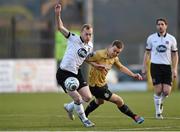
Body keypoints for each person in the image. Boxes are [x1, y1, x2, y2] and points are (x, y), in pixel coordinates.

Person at [55, 3, 97, 127]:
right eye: (86, 34)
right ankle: (85, 120)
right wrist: (58, 14)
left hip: (77, 73)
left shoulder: (90, 46)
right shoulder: (73, 38)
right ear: (81, 33)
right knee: (78, 99)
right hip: (64, 73)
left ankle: (69, 107)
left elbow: (84, 59)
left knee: (88, 97)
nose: (88, 36)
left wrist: (96, 65)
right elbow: (60, 27)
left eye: (90, 34)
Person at [85, 40, 145, 124]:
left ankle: (84, 115)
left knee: (100, 101)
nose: (115, 53)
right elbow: (85, 58)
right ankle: (135, 117)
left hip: (103, 84)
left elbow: (121, 67)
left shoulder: (114, 58)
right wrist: (96, 65)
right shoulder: (99, 54)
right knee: (119, 100)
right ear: (110, 47)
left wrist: (133, 75)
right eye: (114, 51)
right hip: (95, 86)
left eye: (118, 52)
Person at [142, 18, 179, 119]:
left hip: (167, 67)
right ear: (156, 26)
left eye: (162, 24)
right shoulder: (151, 38)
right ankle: (158, 112)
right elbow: (147, 53)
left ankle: (160, 103)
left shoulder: (171, 39)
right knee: (158, 91)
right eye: (158, 24)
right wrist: (144, 66)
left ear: (166, 26)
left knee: (166, 91)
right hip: (155, 66)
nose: (160, 26)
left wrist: (175, 68)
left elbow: (175, 54)